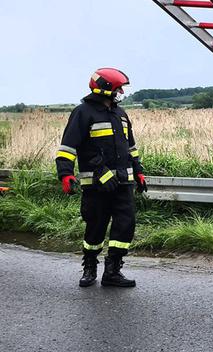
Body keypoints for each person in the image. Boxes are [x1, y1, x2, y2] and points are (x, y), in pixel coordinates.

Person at [55, 68, 148, 287]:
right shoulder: (83, 112)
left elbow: (130, 147)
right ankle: (89, 267)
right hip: (96, 185)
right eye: (118, 88)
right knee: (96, 227)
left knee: (125, 225)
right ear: (105, 89)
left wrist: (139, 170)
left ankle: (113, 271)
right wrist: (66, 174)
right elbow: (69, 148)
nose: (121, 92)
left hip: (123, 182)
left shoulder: (121, 114)